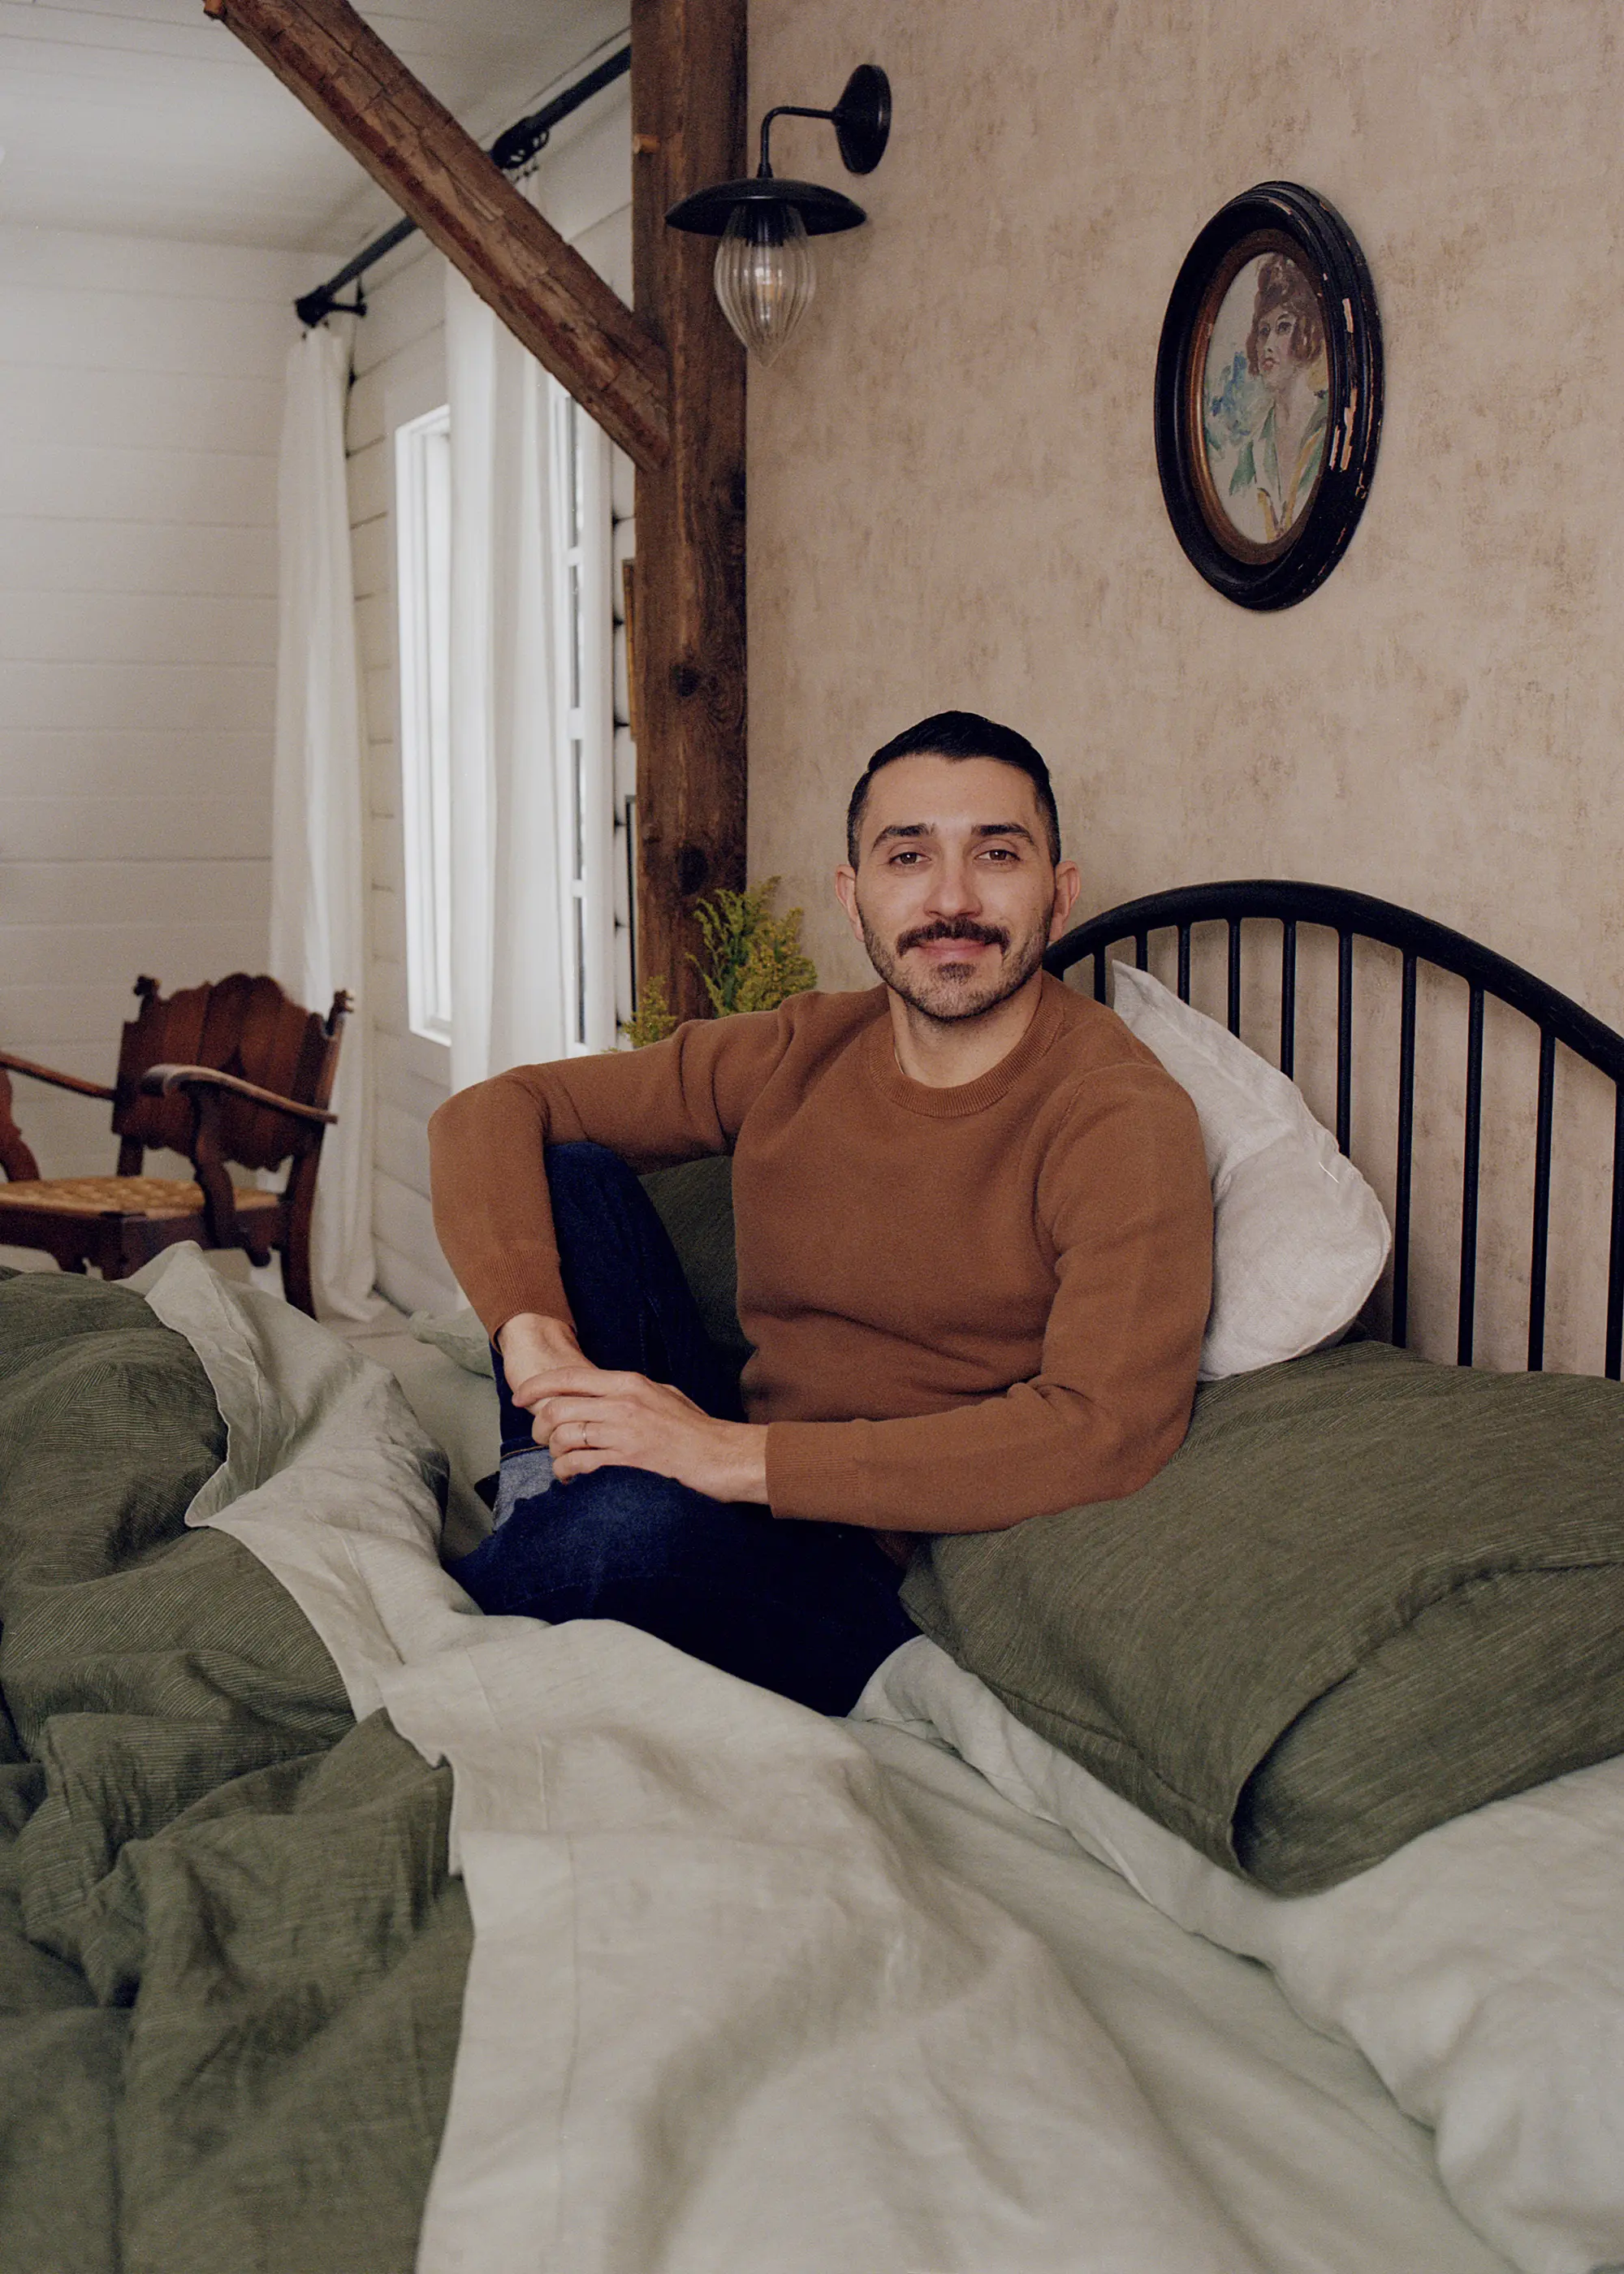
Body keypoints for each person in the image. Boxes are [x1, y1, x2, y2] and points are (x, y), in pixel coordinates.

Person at [428, 711, 1212, 1714]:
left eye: (996, 854)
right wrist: (533, 1340)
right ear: (853, 897)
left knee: (622, 1531)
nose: (951, 899)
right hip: (732, 1454)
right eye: (907, 856)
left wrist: (722, 1456)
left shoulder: (1118, 1116)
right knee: (571, 1174)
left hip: (875, 1565)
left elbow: (1104, 1432)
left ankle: (488, 1576)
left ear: (1058, 893)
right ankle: (545, 1488)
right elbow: (488, 1111)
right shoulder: (807, 1047)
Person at [1229, 253, 1328, 540]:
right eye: (1263, 331)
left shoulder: (1329, 426)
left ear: (1307, 332)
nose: (1267, 345)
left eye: (1283, 327)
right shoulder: (1253, 450)